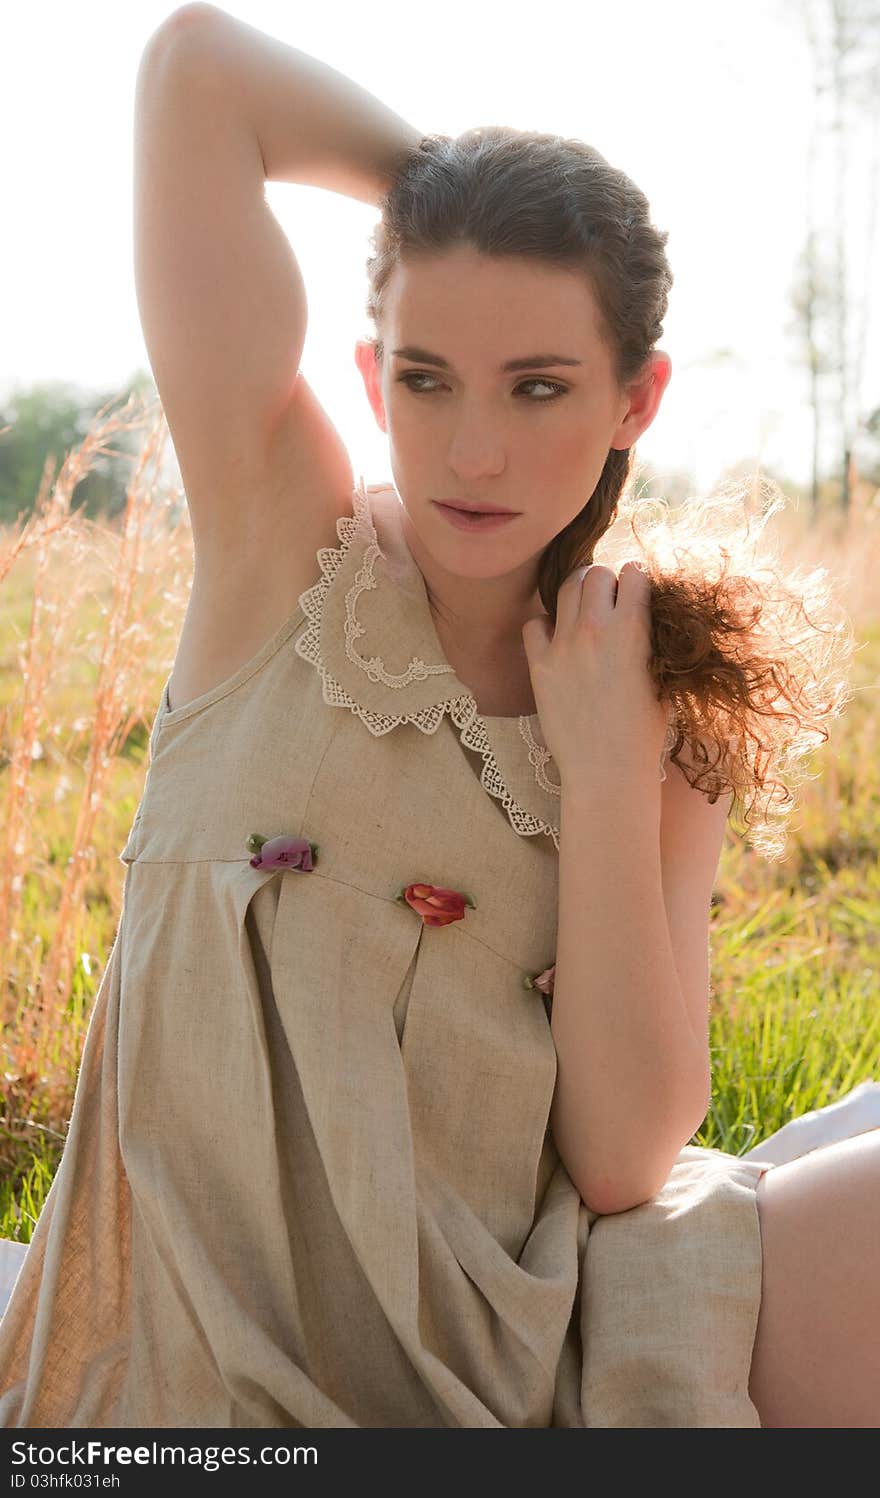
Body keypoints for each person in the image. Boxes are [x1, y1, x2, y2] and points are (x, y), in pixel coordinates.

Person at [0, 2, 877, 1428]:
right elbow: (193, 71)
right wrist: (448, 202)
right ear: (370, 376)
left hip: (525, 1348)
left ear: (633, 401)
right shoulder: (281, 542)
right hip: (185, 1367)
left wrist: (603, 780)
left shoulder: (650, 696)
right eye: (427, 375)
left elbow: (621, 1157)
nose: (474, 448)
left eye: (539, 386)